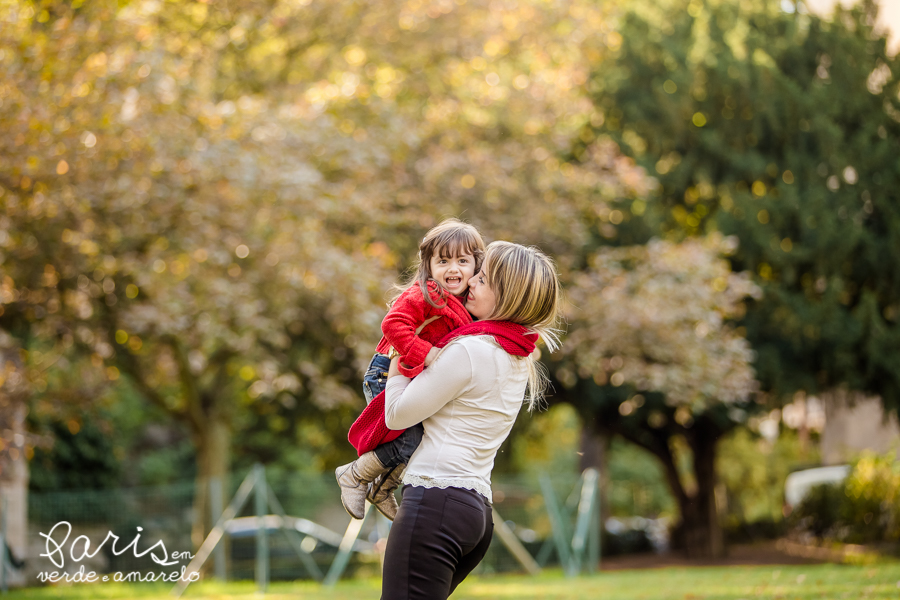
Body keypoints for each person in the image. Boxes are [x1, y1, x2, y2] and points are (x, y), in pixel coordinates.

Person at [380, 240, 561, 600]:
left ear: (505, 295)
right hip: (475, 511)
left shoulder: (468, 350)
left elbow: (397, 413)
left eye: (483, 278)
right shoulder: (514, 355)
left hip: (436, 501)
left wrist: (402, 353)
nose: (470, 282)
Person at [335, 219, 486, 521]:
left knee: (422, 441)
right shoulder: (427, 292)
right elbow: (392, 324)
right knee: (408, 439)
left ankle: (382, 489)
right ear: (429, 267)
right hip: (385, 372)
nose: (452, 269)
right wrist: (428, 354)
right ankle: (354, 475)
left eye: (462, 261)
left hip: (413, 374)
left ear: (476, 266)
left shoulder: (464, 304)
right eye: (442, 261)